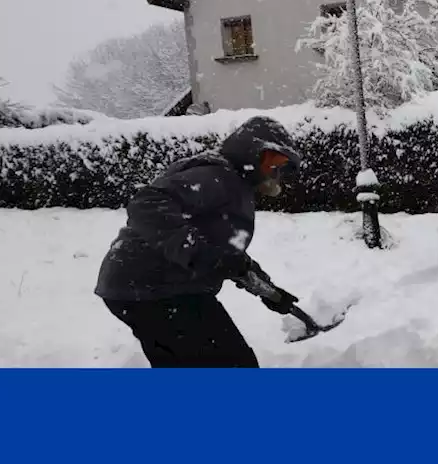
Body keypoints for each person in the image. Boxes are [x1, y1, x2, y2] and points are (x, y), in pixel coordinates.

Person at [95, 115, 304, 368]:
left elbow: (229, 257)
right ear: (254, 152)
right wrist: (200, 254)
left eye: (283, 168)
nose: (277, 173)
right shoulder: (218, 176)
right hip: (156, 288)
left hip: (143, 288)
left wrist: (270, 292)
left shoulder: (233, 184)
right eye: (275, 163)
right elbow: (147, 204)